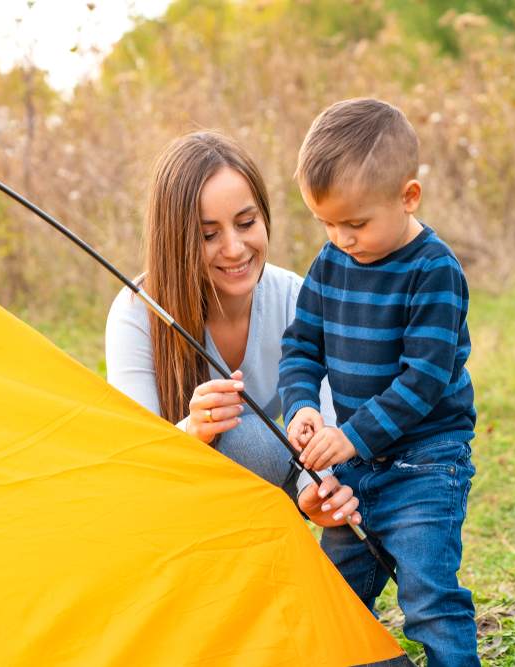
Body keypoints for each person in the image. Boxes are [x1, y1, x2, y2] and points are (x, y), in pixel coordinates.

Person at [279, 99, 479, 666]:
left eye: (356, 223)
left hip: (425, 465)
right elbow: (301, 346)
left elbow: (424, 380)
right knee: (336, 593)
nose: (341, 237)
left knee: (430, 600)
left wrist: (352, 436)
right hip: (359, 468)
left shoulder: (434, 270)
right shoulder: (331, 262)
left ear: (408, 197)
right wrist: (300, 407)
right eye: (326, 223)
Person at [104, 130, 357, 527]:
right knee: (235, 435)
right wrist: (192, 431)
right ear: (176, 239)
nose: (235, 248)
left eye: (246, 222)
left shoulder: (294, 297)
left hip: (278, 482)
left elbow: (330, 415)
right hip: (173, 501)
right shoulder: (136, 314)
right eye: (208, 235)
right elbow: (136, 461)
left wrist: (319, 487)